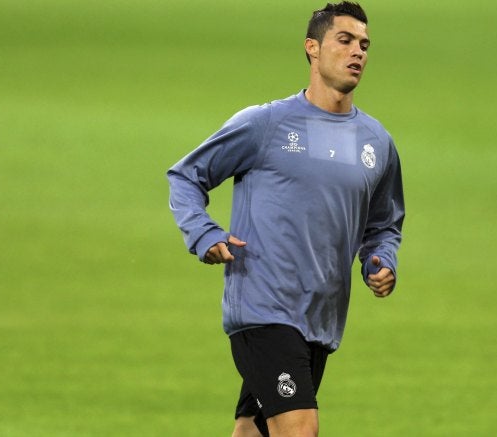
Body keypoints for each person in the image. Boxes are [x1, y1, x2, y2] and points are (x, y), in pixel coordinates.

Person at [166, 2, 404, 436]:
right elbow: (186, 176)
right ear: (312, 48)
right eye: (345, 40)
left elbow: (383, 223)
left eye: (365, 45)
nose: (358, 52)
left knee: (252, 430)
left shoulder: (376, 142)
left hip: (320, 317)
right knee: (300, 429)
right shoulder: (267, 124)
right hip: (264, 310)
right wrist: (202, 232)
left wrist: (381, 260)